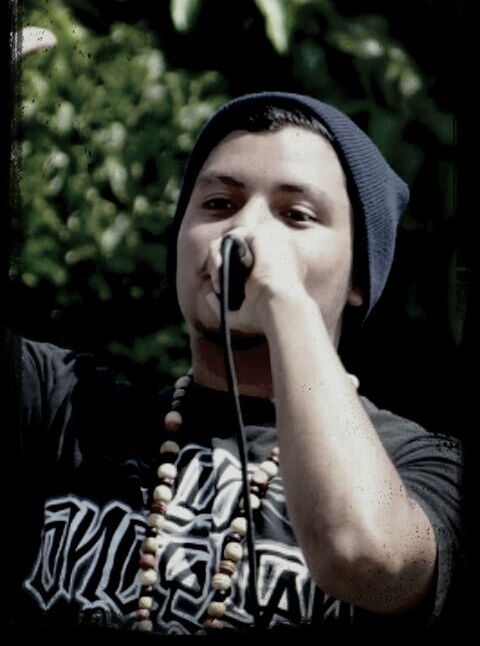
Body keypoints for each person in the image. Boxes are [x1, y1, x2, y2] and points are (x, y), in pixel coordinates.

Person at [8, 92, 464, 639]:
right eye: (219, 205)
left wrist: (283, 297)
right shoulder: (63, 403)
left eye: (296, 215)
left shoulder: (424, 465)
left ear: (359, 280)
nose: (243, 234)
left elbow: (366, 555)